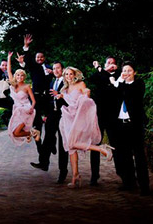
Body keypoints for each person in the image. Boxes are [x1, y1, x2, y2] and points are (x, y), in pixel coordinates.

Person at [55, 67, 113, 188]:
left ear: (75, 75)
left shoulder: (80, 84)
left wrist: (86, 93)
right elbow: (66, 98)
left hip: (78, 117)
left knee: (72, 143)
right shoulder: (65, 88)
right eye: (66, 74)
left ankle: (101, 149)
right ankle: (75, 176)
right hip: (68, 118)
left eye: (71, 74)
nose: (69, 76)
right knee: (71, 147)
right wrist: (61, 96)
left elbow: (86, 92)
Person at [109, 62, 150, 195]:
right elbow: (114, 97)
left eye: (129, 70)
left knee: (139, 157)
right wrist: (118, 82)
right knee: (124, 155)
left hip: (135, 125)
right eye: (124, 70)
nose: (126, 73)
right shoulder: (120, 86)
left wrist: (119, 82)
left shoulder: (138, 84)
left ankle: (144, 187)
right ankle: (129, 183)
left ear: (134, 72)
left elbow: (130, 95)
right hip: (121, 124)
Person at [30, 62, 69, 184]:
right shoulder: (52, 82)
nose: (56, 70)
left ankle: (63, 171)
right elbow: (48, 99)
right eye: (54, 68)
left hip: (64, 114)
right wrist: (46, 114)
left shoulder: (67, 82)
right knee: (47, 138)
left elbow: (72, 98)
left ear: (62, 69)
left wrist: (61, 96)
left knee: (63, 145)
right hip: (52, 114)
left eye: (58, 68)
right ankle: (44, 163)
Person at [18, 34, 52, 156]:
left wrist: (52, 72)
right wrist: (26, 46)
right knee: (36, 125)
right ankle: (41, 152)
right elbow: (27, 59)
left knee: (50, 125)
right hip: (36, 97)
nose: (39, 59)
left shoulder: (50, 68)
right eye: (37, 57)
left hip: (48, 98)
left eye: (41, 57)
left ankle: (51, 144)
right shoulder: (33, 67)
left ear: (44, 58)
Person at [88, 57, 120, 185]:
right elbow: (92, 79)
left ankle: (121, 172)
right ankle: (94, 176)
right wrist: (102, 70)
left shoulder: (120, 75)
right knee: (95, 144)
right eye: (108, 63)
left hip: (114, 117)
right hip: (99, 116)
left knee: (116, 145)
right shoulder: (99, 75)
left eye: (113, 63)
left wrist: (102, 69)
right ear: (105, 64)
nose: (111, 65)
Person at [6, 52, 40, 146]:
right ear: (15, 76)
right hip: (17, 110)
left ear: (24, 77)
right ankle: (32, 132)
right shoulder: (13, 85)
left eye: (22, 75)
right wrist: (9, 57)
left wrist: (32, 108)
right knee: (13, 133)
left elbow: (33, 101)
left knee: (16, 132)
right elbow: (9, 71)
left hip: (25, 109)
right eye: (18, 75)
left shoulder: (27, 86)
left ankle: (32, 132)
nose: (20, 77)